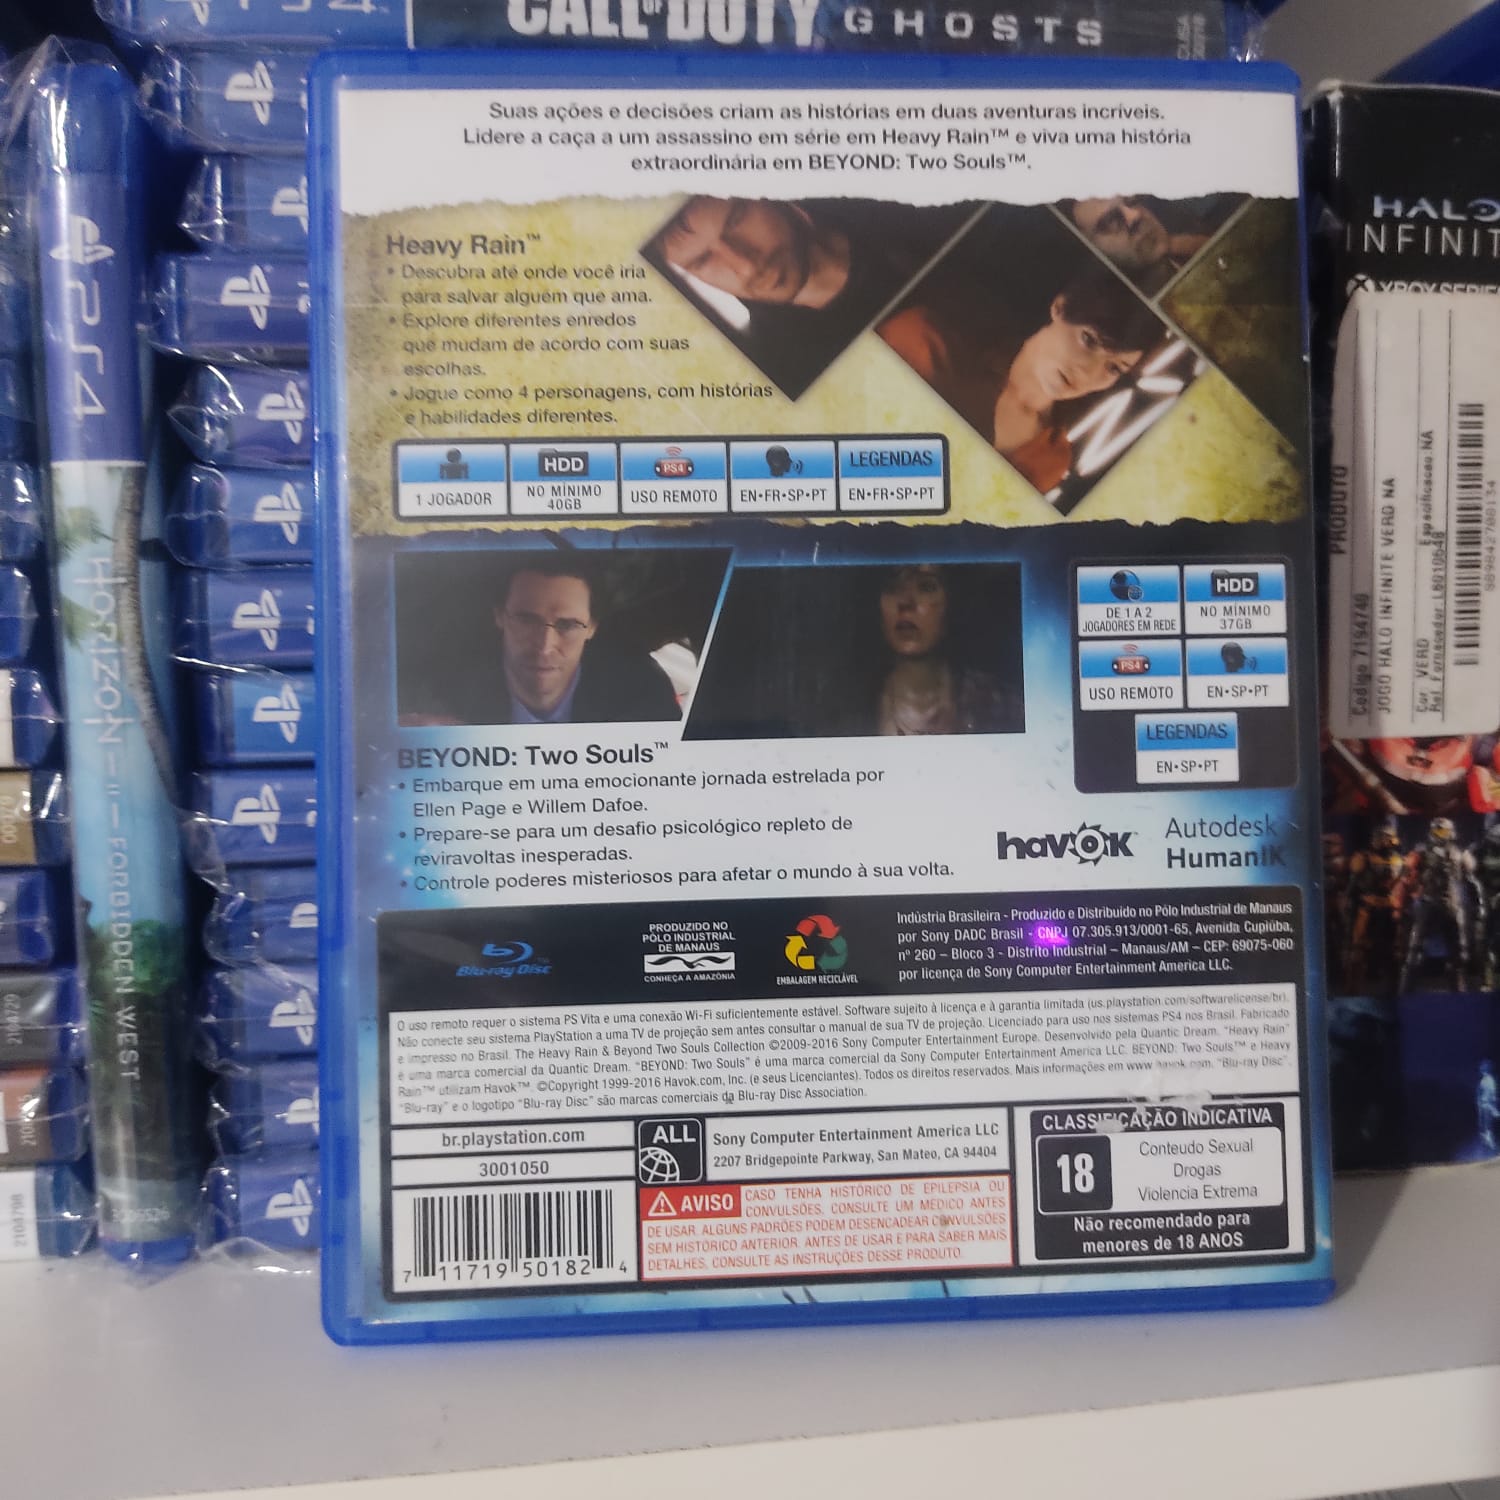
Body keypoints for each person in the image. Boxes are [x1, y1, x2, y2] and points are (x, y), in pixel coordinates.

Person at [648, 196, 972, 395]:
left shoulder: (899, 206)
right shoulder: (783, 373)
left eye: (736, 220)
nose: (746, 267)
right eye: (703, 261)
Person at [879, 269, 1160, 492]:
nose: (1088, 372)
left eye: (1114, 368)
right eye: (1089, 340)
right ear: (1060, 307)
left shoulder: (1050, 456)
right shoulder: (923, 342)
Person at [401, 557, 681, 727]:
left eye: (567, 625)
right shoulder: (436, 693)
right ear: (499, 616)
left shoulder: (640, 694)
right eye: (526, 620)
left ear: (592, 627)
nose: (544, 646)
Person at [868, 564, 1017, 736]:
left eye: (926, 587)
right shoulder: (852, 706)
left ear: (952, 602)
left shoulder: (1000, 704)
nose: (905, 603)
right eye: (893, 588)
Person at [1065, 195, 1242, 292]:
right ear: (1091, 250)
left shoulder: (1187, 239)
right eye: (1111, 220)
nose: (1135, 215)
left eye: (1131, 201)